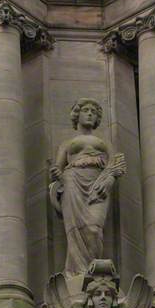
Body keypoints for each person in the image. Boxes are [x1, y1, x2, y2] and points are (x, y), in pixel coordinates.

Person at [49, 99, 125, 276]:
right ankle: (80, 273)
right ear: (77, 115)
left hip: (99, 185)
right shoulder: (67, 144)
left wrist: (109, 180)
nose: (90, 113)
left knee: (93, 228)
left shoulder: (104, 143)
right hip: (73, 181)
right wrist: (57, 176)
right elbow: (58, 167)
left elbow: (116, 165)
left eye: (93, 111)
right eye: (86, 110)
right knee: (76, 228)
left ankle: (91, 271)